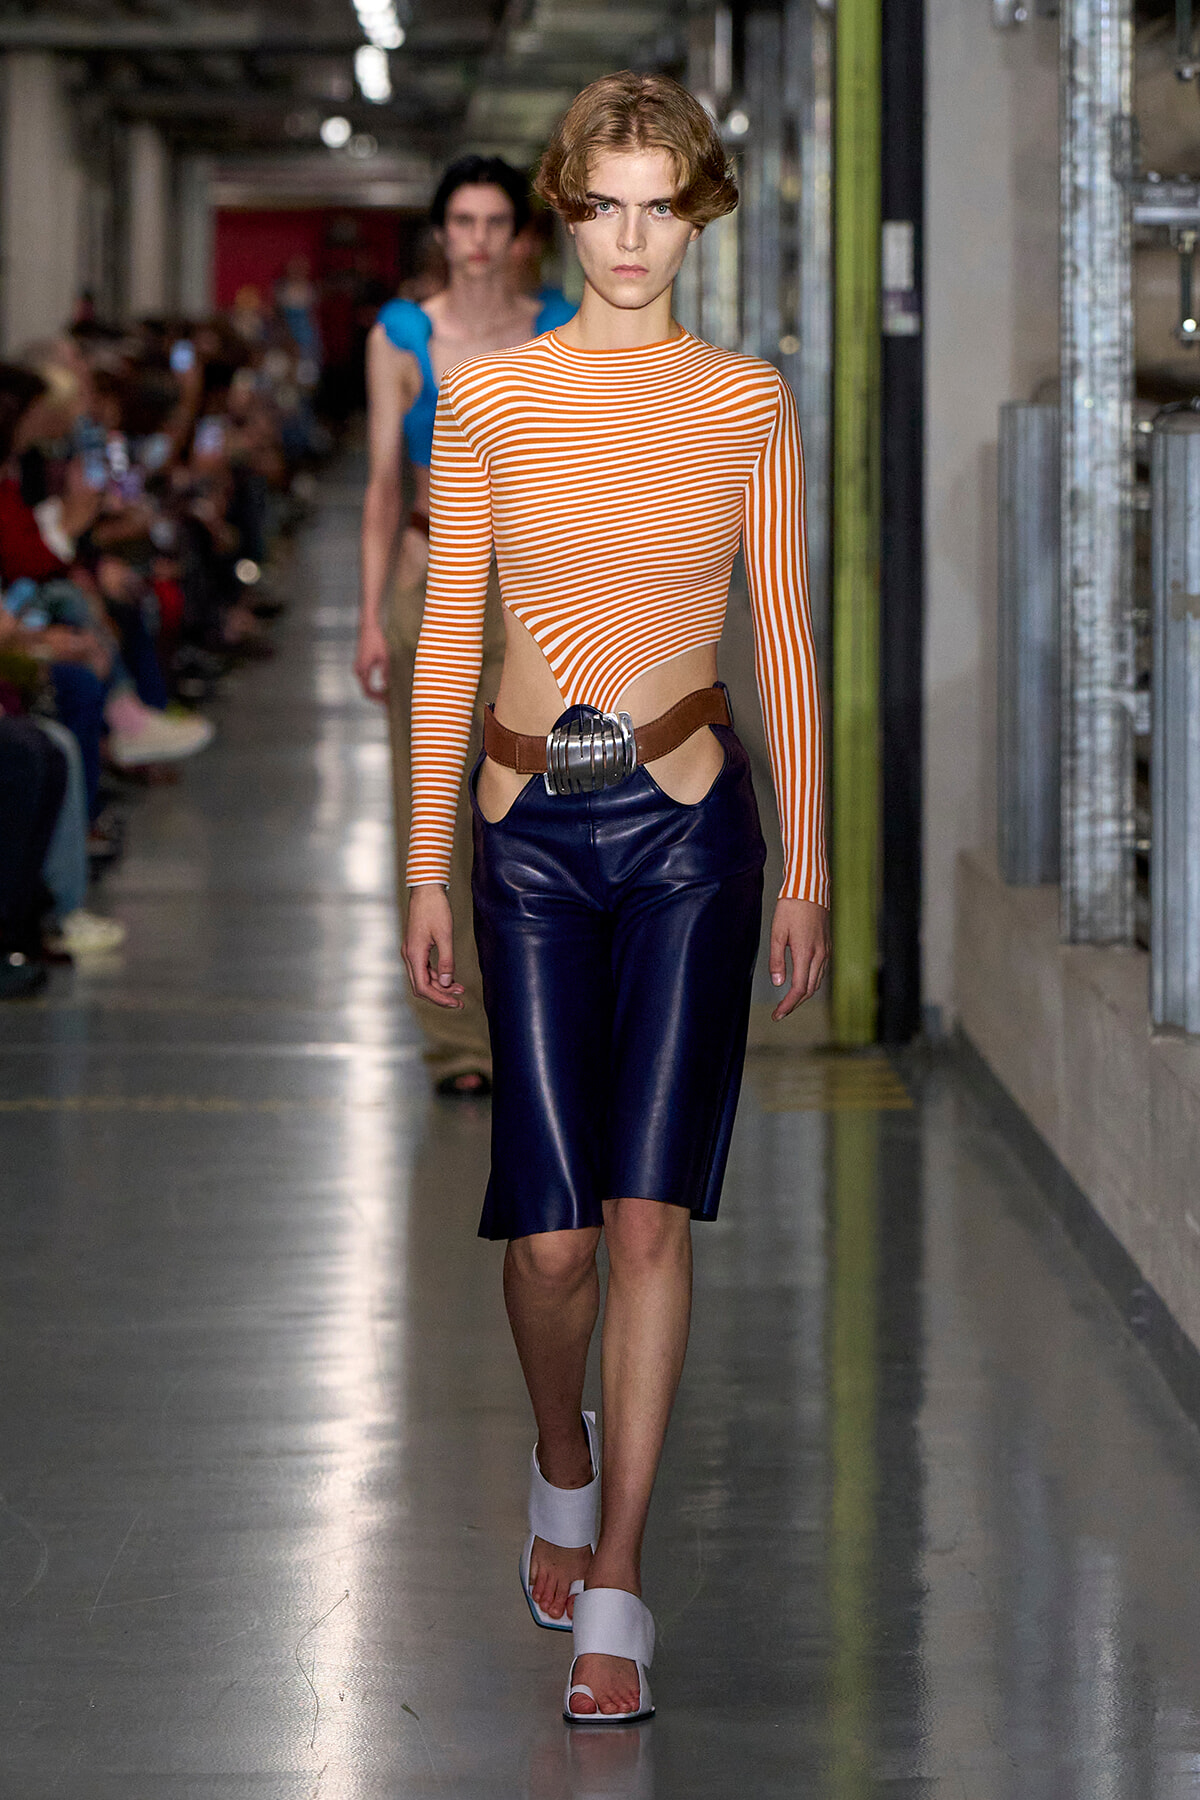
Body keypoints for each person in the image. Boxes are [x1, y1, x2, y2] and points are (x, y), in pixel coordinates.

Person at [402, 73, 830, 1723]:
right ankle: (560, 1453)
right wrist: (426, 858)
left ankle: (623, 1578)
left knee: (651, 1216)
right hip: (523, 832)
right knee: (557, 1240)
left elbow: (778, 630)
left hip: (687, 829)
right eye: (605, 205)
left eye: (663, 204)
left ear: (697, 212)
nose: (633, 236)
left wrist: (806, 857)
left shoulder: (744, 401)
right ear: (567, 211)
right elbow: (453, 629)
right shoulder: (491, 397)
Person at [355, 155, 574, 1096]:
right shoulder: (401, 336)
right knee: (433, 811)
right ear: (441, 234)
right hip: (428, 575)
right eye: (463, 222)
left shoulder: (564, 326)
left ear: (520, 236)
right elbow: (381, 483)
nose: (479, 240)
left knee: (535, 803)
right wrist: (368, 618)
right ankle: (457, 1043)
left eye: (496, 222)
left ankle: (541, 1024)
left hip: (533, 596)